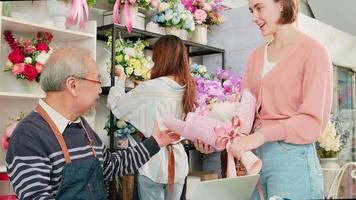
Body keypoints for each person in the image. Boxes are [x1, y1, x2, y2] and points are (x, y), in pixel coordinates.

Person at [195, 0, 333, 199]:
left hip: (293, 161)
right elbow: (245, 113)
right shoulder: (255, 57)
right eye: (251, 11)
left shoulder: (314, 52)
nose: (253, 18)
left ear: (282, 5)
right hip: (254, 161)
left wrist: (261, 135)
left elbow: (312, 122)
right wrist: (214, 135)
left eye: (259, 8)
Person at [5, 47, 180, 200]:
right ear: (72, 85)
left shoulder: (79, 125)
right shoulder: (28, 136)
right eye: (97, 81)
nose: (100, 90)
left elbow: (110, 166)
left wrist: (155, 142)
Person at [107, 35, 196, 200]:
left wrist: (121, 79)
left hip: (151, 159)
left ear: (159, 57)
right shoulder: (188, 87)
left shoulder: (150, 87)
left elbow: (118, 106)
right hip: (178, 162)